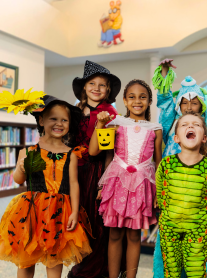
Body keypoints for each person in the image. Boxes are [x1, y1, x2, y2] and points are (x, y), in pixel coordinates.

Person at [0, 95, 92, 278]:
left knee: (55, 260)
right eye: (53, 119)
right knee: (26, 260)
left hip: (59, 213)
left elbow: (74, 184)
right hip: (31, 213)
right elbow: (19, 180)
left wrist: (74, 212)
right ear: (41, 120)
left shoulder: (71, 154)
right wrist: (20, 167)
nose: (59, 124)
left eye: (64, 120)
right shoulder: (29, 152)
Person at [152, 58, 207, 278]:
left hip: (195, 198)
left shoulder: (204, 127)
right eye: (184, 103)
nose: (189, 107)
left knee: (194, 255)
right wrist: (164, 75)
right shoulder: (171, 124)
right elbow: (164, 104)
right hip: (172, 198)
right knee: (165, 252)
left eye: (194, 103)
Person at [89, 79, 162, 278]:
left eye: (142, 97)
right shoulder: (115, 124)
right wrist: (100, 124)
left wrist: (158, 192)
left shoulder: (155, 129)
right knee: (114, 234)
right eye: (132, 97)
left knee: (134, 235)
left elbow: (158, 163)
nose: (137, 101)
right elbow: (97, 151)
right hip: (117, 183)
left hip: (142, 186)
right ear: (124, 100)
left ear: (149, 101)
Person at [68, 60, 121, 278]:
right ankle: (79, 262)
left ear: (108, 90)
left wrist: (105, 180)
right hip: (74, 170)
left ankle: (95, 269)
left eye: (102, 85)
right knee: (76, 218)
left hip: (95, 171)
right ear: (84, 87)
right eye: (92, 83)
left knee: (95, 220)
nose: (96, 88)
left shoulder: (109, 113)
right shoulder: (75, 109)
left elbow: (105, 151)